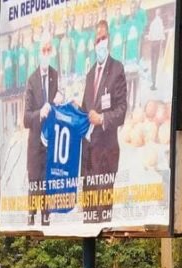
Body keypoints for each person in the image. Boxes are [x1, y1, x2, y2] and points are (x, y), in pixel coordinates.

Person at [81, 19, 128, 224]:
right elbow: (85, 109)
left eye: (103, 38)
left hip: (107, 151)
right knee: (88, 213)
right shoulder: (90, 73)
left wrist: (102, 119)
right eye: (97, 39)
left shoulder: (116, 69)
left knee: (102, 216)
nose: (100, 42)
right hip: (89, 154)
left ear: (108, 40)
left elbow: (122, 110)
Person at [24, 36, 60, 226]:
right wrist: (40, 113)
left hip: (51, 141)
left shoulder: (55, 75)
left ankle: (46, 216)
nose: (46, 54)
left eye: (49, 50)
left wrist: (58, 101)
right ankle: (31, 216)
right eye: (43, 51)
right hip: (36, 142)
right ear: (39, 53)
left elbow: (56, 102)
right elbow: (26, 118)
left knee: (48, 182)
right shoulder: (32, 80)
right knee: (35, 182)